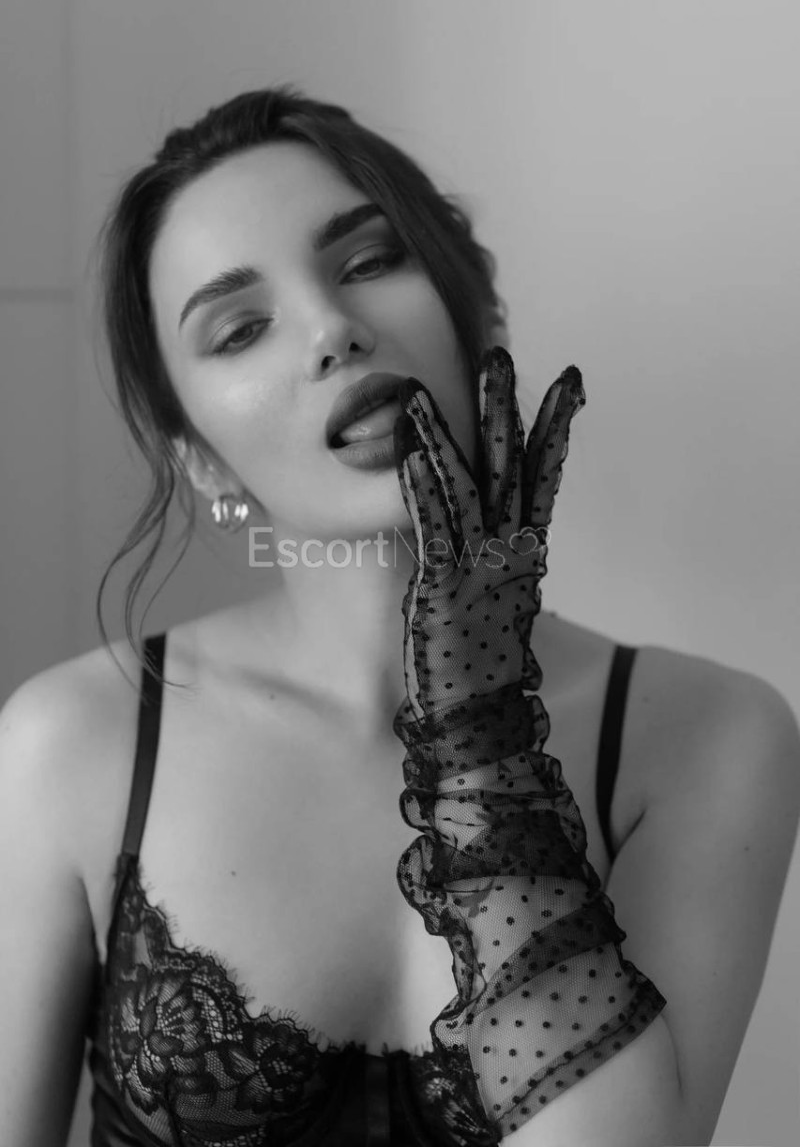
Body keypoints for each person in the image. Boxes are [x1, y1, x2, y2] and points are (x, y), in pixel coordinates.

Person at [1, 84, 798, 1147]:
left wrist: (483, 735)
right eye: (240, 329)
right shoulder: (68, 745)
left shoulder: (711, 737)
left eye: (370, 261)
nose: (333, 330)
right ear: (198, 458)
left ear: (481, 314)